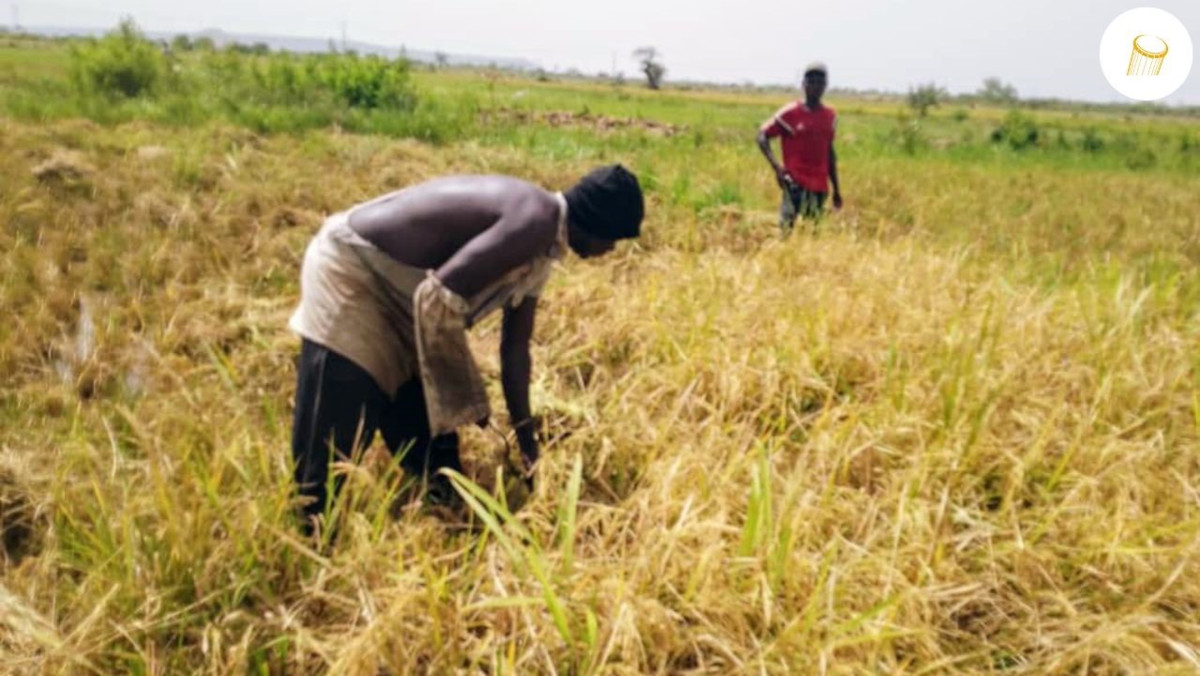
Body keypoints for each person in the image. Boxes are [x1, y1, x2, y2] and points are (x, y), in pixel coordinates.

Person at [288, 165, 644, 533]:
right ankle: (305, 537)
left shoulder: (544, 247)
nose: (610, 250)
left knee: (432, 451)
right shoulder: (536, 219)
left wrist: (526, 443)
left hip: (407, 298)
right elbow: (437, 300)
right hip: (355, 271)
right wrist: (467, 398)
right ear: (597, 223)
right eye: (612, 239)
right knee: (339, 419)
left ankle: (444, 521)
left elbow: (516, 349)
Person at [756, 62, 843, 235]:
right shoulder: (790, 113)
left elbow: (829, 153)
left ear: (825, 86)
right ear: (804, 84)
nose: (815, 87)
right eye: (811, 82)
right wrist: (777, 168)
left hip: (819, 186)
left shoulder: (830, 116)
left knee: (814, 235)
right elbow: (762, 136)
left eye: (820, 83)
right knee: (786, 232)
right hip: (794, 183)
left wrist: (836, 190)